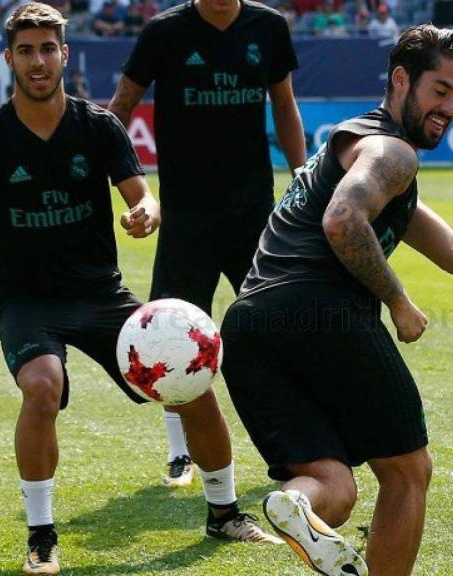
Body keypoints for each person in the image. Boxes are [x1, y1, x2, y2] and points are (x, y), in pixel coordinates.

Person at [0, 4, 281, 575]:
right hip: (28, 304)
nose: (38, 60)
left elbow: (139, 193)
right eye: (26, 50)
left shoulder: (98, 126)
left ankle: (224, 513)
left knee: (191, 380)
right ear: (9, 59)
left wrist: (146, 213)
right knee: (43, 387)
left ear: (64, 54)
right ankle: (42, 535)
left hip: (102, 296)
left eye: (48, 48)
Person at [221, 24, 453, 576]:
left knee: (334, 484)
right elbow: (342, 219)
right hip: (320, 311)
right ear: (401, 79)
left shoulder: (356, 151)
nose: (449, 108)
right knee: (407, 471)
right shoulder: (391, 151)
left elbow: (450, 248)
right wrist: (398, 300)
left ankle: (297, 504)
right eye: (439, 90)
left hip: (251, 325)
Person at [107, 0, 306, 489]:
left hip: (254, 213)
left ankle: (297, 449)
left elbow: (284, 103)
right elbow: (118, 111)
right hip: (186, 215)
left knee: (276, 330)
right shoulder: (163, 33)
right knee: (167, 336)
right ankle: (180, 454)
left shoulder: (269, 27)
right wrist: (125, 183)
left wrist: (302, 175)